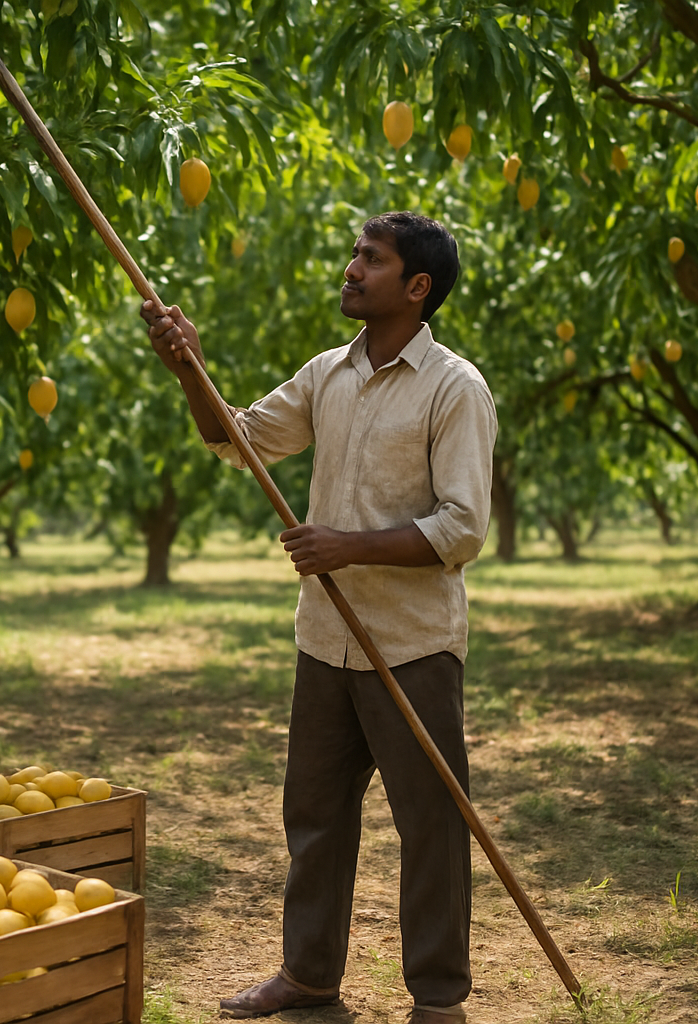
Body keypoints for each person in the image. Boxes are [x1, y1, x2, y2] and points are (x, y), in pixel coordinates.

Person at [141, 212, 496, 1022]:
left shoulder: (454, 388)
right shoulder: (326, 375)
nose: (350, 268)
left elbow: (462, 528)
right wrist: (186, 365)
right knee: (314, 816)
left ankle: (438, 1000)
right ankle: (307, 977)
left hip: (410, 647)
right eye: (354, 255)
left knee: (431, 826)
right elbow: (235, 439)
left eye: (370, 260)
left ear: (417, 287)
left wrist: (348, 545)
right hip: (325, 641)